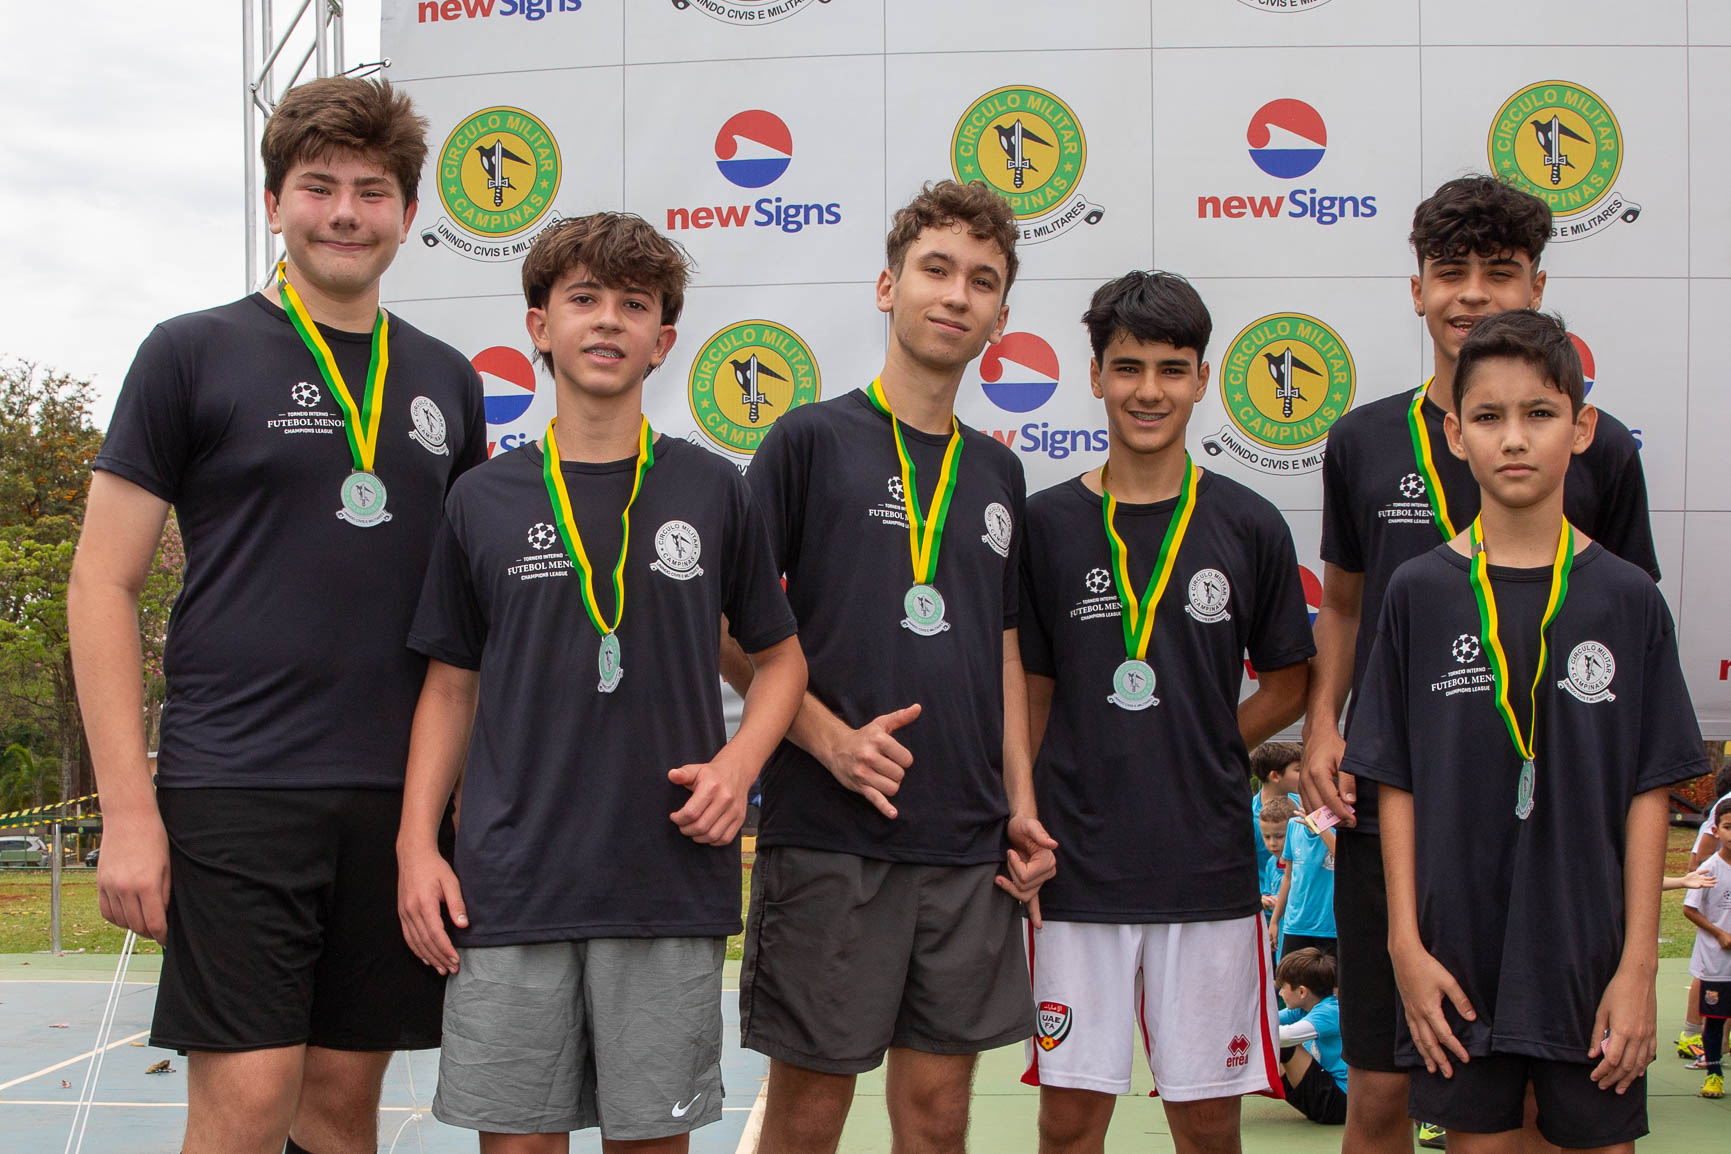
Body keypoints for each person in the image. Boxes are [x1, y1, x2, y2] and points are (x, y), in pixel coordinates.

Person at [65, 78, 485, 1154]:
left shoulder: (445, 379)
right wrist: (127, 813)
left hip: (393, 798)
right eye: (318, 187)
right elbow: (100, 584)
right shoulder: (189, 352)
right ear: (273, 204)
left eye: (373, 191)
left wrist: (448, 811)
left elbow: (464, 621)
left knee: (341, 1108)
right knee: (249, 1103)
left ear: (407, 213)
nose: (345, 212)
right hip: (236, 784)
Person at [394, 213, 806, 1151]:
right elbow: (449, 687)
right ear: (539, 326)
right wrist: (417, 846)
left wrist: (739, 765)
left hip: (663, 881)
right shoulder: (479, 498)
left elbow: (781, 660)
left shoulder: (713, 489)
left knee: (651, 1142)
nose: (608, 319)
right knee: (517, 1143)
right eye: (584, 298)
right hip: (510, 884)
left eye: (634, 304)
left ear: (664, 341)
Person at [1300, 175, 1661, 1154]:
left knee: (1538, 1092)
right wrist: (1324, 723)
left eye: (1498, 272)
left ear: (1535, 287)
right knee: (1381, 1087)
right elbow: (1343, 603)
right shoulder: (1362, 438)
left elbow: (1627, 626)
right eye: (1449, 271)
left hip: (1555, 821)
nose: (1471, 293)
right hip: (1405, 794)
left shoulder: (1602, 449)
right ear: (1416, 287)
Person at [726, 180, 1055, 1154]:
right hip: (832, 834)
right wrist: (829, 741)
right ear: (887, 286)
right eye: (936, 269)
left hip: (965, 842)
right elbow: (725, 623)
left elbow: (1003, 647)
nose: (956, 294)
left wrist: (1019, 802)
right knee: (808, 1118)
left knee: (937, 1119)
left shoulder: (998, 472)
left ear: (1001, 315)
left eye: (982, 281)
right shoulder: (808, 440)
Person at [1343, 310, 1706, 1153]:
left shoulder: (1627, 597)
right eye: (1488, 416)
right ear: (1454, 434)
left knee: (1598, 1144)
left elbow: (1650, 791)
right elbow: (1391, 782)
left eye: (1538, 413)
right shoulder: (1417, 593)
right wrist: (1404, 946)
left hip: (1588, 950)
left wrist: (1637, 967)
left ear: (1580, 429)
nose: (1513, 438)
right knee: (1477, 1145)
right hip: (1455, 952)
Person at [1015, 271, 1313, 1153]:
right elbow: (1030, 692)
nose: (1149, 391)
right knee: (1069, 1124)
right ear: (1095, 374)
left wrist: (1208, 742)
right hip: (1075, 867)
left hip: (1204, 865)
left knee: (1207, 1124)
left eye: (1171, 369)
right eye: (1128, 366)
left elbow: (1290, 681)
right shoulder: (1044, 525)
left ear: (1202, 378)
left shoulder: (1248, 523)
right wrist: (1021, 808)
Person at [1678, 764, 1731, 1059]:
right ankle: (1691, 1034)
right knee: (1710, 970)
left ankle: (1720, 1044)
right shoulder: (1725, 807)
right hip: (1715, 899)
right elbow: (1699, 857)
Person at [1276, 947, 1349, 1126]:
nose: (1280, 993)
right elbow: (1264, 1022)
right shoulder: (1302, 1009)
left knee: (1283, 1046)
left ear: (1302, 992)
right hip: (1324, 1093)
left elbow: (1283, 1037)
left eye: (1283, 987)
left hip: (1340, 1103)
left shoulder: (1330, 1011)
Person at [1272, 807, 1336, 961]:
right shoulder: (1293, 825)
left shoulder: (1338, 825)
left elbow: (1345, 859)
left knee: (1332, 976)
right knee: (1289, 976)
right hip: (1296, 926)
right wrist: (1274, 920)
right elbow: (1288, 877)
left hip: (1330, 928)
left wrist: (1319, 824)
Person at [1251, 740, 1304, 881]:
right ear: (1275, 776)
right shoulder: (1249, 818)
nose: (1304, 775)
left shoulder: (1303, 805)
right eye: (1298, 770)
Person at [1261, 796, 1301, 914]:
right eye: (1267, 837)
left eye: (1279, 836)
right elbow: (1268, 892)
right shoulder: (1271, 863)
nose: (1272, 843)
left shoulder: (1300, 863)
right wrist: (1265, 901)